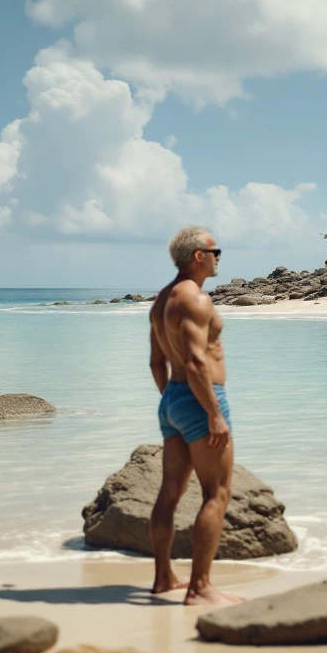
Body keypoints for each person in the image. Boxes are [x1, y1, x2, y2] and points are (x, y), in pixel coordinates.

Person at [148, 226, 240, 606]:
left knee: (170, 492)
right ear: (198, 256)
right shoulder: (196, 300)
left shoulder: (161, 301)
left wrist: (176, 403)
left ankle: (163, 578)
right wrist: (212, 413)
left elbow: (157, 363)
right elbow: (195, 361)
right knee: (216, 493)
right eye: (215, 251)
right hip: (200, 399)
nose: (219, 257)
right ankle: (200, 588)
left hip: (172, 398)